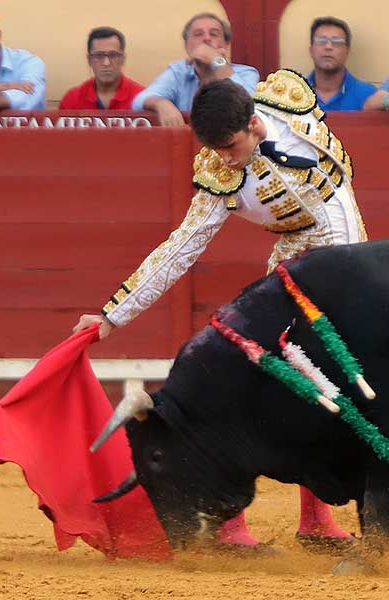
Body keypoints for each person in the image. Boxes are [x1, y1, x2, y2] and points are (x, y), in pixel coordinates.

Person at [73, 71, 365, 551]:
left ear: (254, 122)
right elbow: (181, 248)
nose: (223, 158)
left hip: (348, 255)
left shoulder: (290, 101)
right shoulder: (221, 172)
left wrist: (354, 275)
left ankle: (316, 520)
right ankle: (232, 522)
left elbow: (339, 197)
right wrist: (113, 315)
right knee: (260, 381)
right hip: (295, 262)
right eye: (216, 149)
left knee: (326, 387)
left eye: (230, 145)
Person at [133, 12, 259, 127]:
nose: (206, 39)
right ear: (187, 45)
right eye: (198, 34)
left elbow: (249, 105)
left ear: (225, 45)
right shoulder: (178, 72)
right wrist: (161, 104)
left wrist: (216, 60)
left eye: (214, 34)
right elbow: (138, 102)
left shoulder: (246, 73)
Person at [59, 26, 145, 110]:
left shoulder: (142, 98)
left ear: (123, 59)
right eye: (99, 55)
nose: (106, 63)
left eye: (113, 55)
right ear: (89, 60)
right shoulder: (72, 99)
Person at [305, 16, 376, 111]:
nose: (328, 47)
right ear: (311, 50)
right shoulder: (290, 96)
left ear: (347, 51)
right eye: (321, 41)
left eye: (336, 42)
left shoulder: (368, 95)